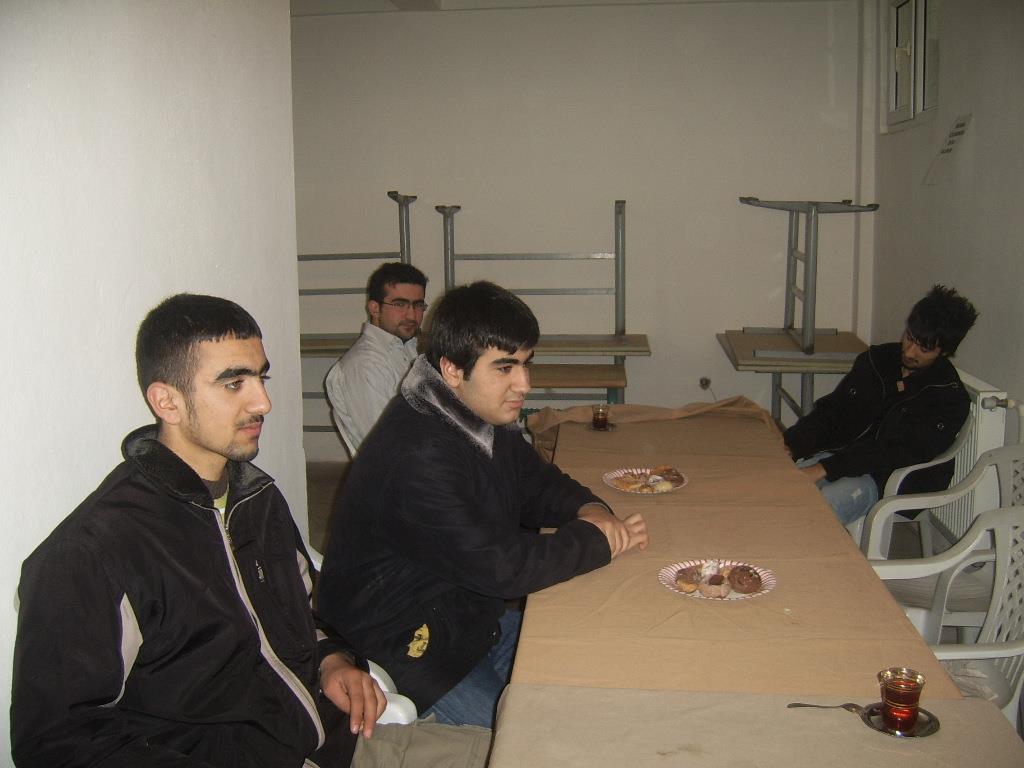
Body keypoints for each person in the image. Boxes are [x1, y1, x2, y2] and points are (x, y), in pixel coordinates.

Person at [11, 293, 386, 768]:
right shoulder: (94, 551)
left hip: (339, 738)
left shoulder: (257, 500)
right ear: (167, 401)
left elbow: (308, 613)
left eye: (261, 377)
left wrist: (333, 658)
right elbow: (57, 744)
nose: (264, 402)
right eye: (234, 383)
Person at [317, 281, 649, 729]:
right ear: (452, 369)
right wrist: (597, 541)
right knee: (537, 735)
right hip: (409, 647)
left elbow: (534, 482)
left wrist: (589, 509)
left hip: (469, 617)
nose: (524, 384)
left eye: (527, 364)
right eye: (505, 367)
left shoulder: (474, 411)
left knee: (598, 665)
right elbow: (502, 568)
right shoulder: (417, 456)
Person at [784, 284, 979, 527]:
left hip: (890, 477)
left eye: (924, 349)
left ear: (945, 352)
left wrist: (824, 468)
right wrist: (791, 444)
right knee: (782, 488)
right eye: (909, 337)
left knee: (823, 508)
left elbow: (895, 452)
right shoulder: (878, 360)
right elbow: (833, 412)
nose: (910, 351)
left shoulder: (947, 397)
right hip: (844, 456)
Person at [325, 262, 428, 455]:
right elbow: (388, 445)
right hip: (400, 470)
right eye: (399, 304)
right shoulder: (364, 365)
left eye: (418, 305)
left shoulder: (409, 348)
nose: (412, 315)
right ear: (374, 308)